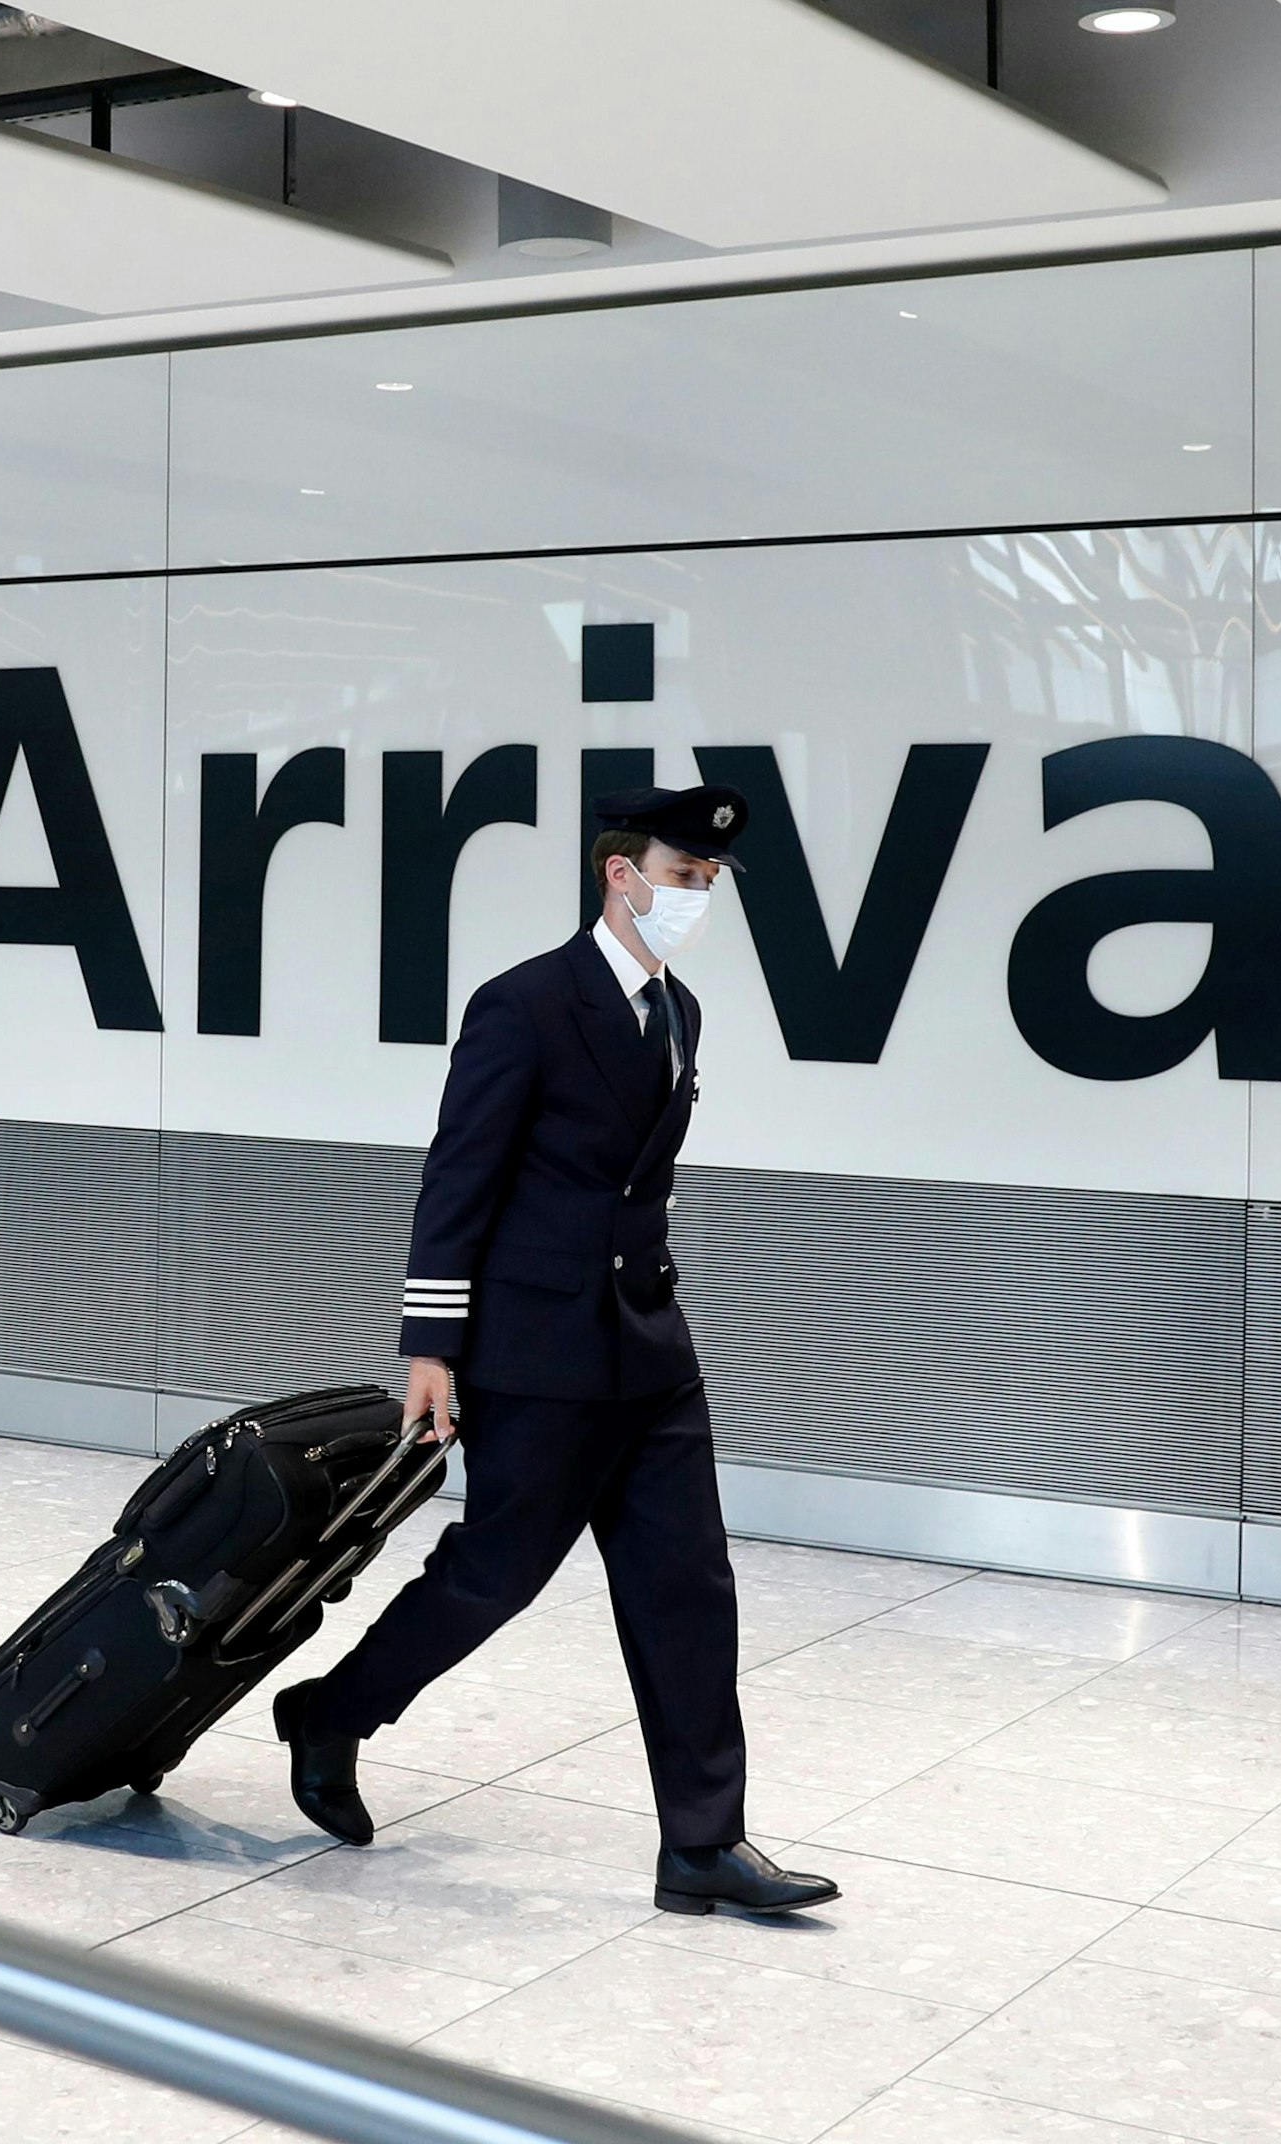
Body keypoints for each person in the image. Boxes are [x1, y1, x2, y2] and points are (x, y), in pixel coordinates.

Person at [272, 783, 839, 1919]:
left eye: (711, 880)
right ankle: (332, 1712)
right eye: (684, 876)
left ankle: (704, 1843)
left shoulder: (681, 1011)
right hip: (534, 1350)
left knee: (687, 1586)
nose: (701, 897)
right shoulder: (525, 1004)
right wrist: (431, 1342)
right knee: (494, 1576)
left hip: (650, 1350)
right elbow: (459, 1172)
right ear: (619, 875)